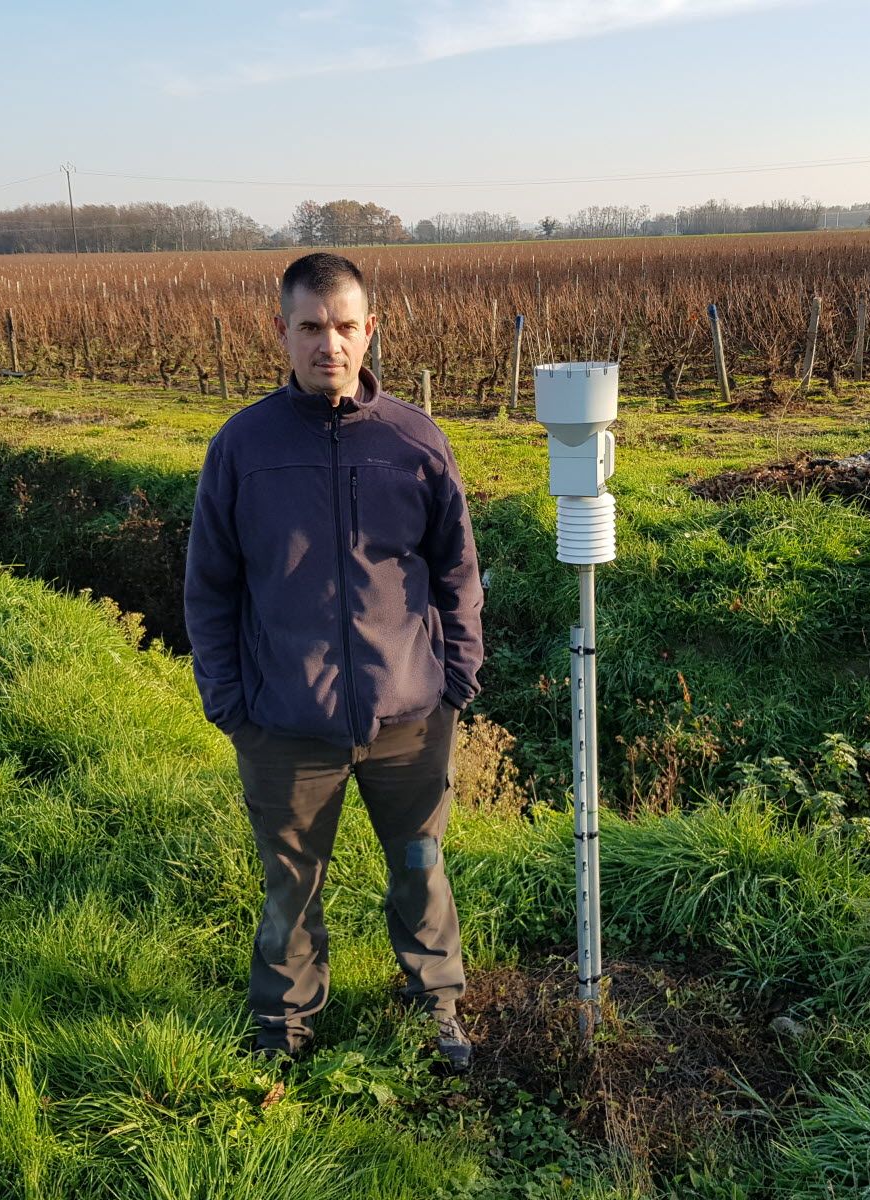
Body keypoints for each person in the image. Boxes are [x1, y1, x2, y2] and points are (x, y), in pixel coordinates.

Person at [184, 252, 484, 1073]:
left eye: (346, 327)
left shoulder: (413, 442)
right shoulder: (242, 448)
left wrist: (454, 680)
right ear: (281, 330)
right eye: (311, 327)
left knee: (420, 864)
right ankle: (283, 1022)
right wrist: (231, 703)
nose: (330, 344)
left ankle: (436, 1006)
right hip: (283, 722)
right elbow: (209, 588)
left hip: (409, 714)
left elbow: (456, 571)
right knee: (292, 882)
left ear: (370, 330)